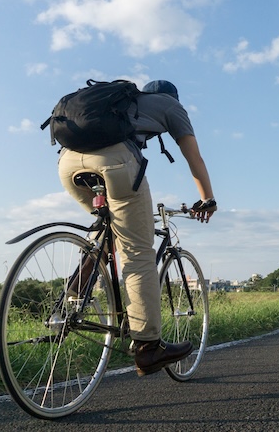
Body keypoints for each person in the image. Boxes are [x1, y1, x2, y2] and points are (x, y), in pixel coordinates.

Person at [58, 79, 217, 376]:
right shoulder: (171, 105)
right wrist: (207, 198)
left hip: (69, 164)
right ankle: (148, 348)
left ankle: (78, 287)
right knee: (138, 251)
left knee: (109, 228)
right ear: (173, 97)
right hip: (116, 162)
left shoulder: (123, 103)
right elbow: (193, 157)